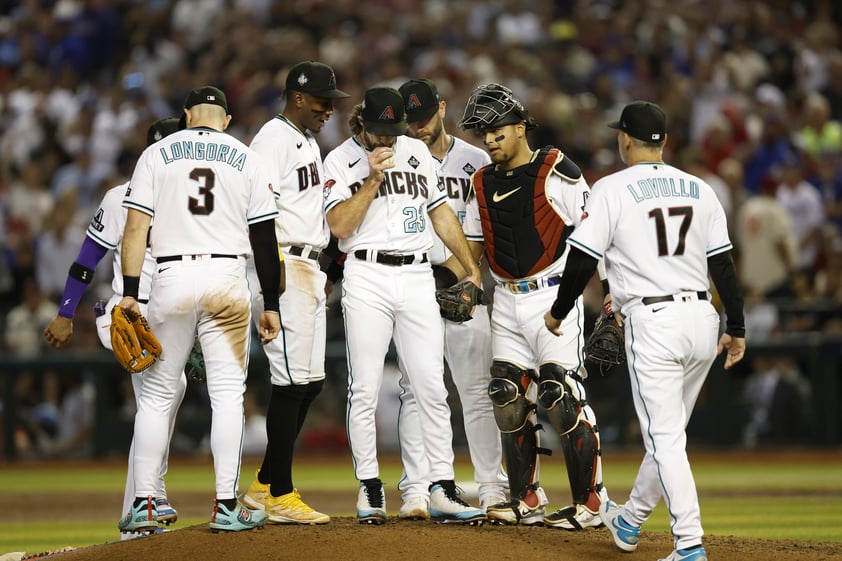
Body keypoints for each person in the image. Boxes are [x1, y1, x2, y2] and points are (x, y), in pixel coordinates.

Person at [543, 101, 746, 561]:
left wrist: (558, 310)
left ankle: (690, 544)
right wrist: (737, 325)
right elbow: (724, 266)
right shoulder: (701, 188)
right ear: (665, 143)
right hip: (703, 319)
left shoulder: (611, 188)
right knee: (669, 433)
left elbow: (582, 258)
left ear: (626, 140)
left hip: (655, 322)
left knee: (665, 438)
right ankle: (630, 521)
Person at [116, 86, 282, 534]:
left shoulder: (157, 153)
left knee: (155, 396)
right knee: (228, 395)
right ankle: (226, 505)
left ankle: (146, 501)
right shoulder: (247, 157)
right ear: (226, 120)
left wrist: (131, 292)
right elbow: (265, 240)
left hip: (170, 278)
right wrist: (273, 303)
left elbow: (135, 229)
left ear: (187, 115)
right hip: (228, 278)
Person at [444, 83, 610, 529]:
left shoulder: (555, 168)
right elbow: (474, 246)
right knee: (506, 395)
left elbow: (598, 230)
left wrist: (609, 292)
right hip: (506, 300)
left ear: (521, 126)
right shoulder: (481, 181)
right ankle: (527, 498)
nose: (490, 140)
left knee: (559, 395)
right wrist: (463, 278)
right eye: (483, 134)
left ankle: (591, 503)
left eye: (497, 130)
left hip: (555, 297)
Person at [322, 86, 486, 525]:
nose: (390, 140)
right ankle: (371, 489)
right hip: (367, 274)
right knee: (366, 388)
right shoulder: (339, 159)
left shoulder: (413, 148)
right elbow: (339, 225)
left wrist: (470, 267)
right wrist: (373, 178)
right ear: (363, 125)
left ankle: (442, 487)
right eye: (382, 132)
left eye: (394, 131)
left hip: (416, 275)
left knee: (432, 385)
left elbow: (441, 213)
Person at [43, 117, 185, 539]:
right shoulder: (121, 196)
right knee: (160, 400)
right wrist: (66, 312)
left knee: (164, 400)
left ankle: (142, 507)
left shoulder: (190, 198)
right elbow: (87, 260)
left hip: (174, 313)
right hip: (133, 313)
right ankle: (145, 506)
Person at [240, 60, 350, 525]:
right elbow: (257, 212)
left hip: (307, 264)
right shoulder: (272, 139)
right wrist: (271, 285)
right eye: (323, 101)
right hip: (282, 262)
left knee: (311, 382)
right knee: (290, 382)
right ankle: (280, 494)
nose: (330, 110)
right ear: (299, 97)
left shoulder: (305, 139)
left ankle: (265, 484)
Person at [394, 78, 507, 519]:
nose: (418, 128)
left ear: (442, 109)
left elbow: (479, 233)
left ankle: (492, 488)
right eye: (410, 121)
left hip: (464, 287)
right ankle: (417, 490)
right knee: (414, 391)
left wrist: (460, 275)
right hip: (412, 285)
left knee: (476, 392)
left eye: (424, 118)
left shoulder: (475, 160)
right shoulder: (398, 158)